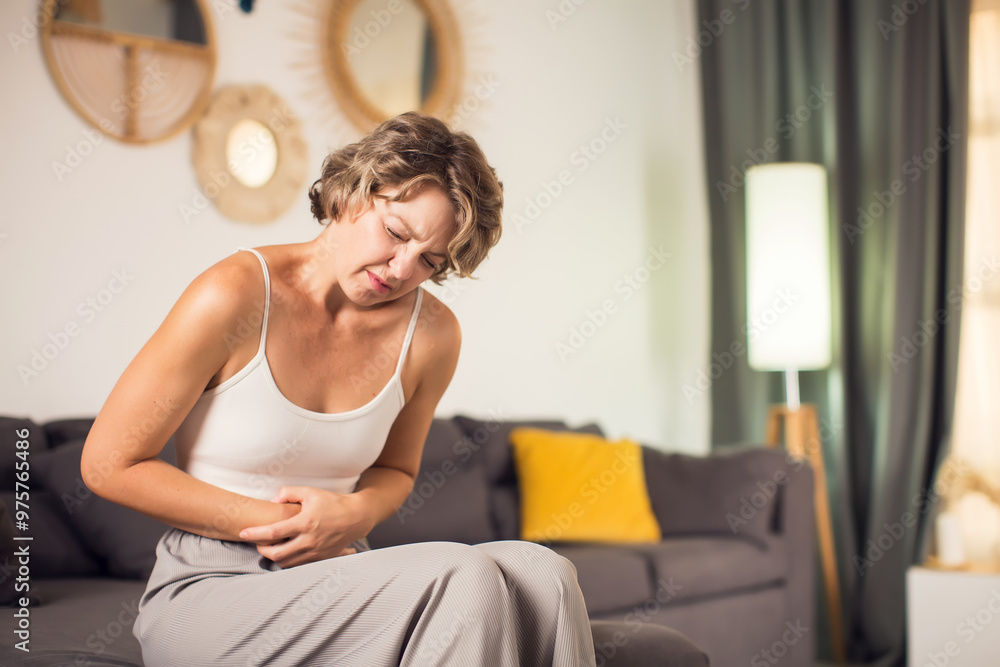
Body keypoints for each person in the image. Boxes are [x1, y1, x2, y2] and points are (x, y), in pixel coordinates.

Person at [80, 111, 598, 666]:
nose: (400, 269)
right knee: (464, 576)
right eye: (396, 233)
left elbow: (395, 471)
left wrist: (355, 515)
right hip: (211, 586)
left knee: (546, 574)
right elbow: (109, 465)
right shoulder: (233, 294)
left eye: (429, 260)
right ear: (352, 191)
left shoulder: (432, 335)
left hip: (341, 573)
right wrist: (293, 526)